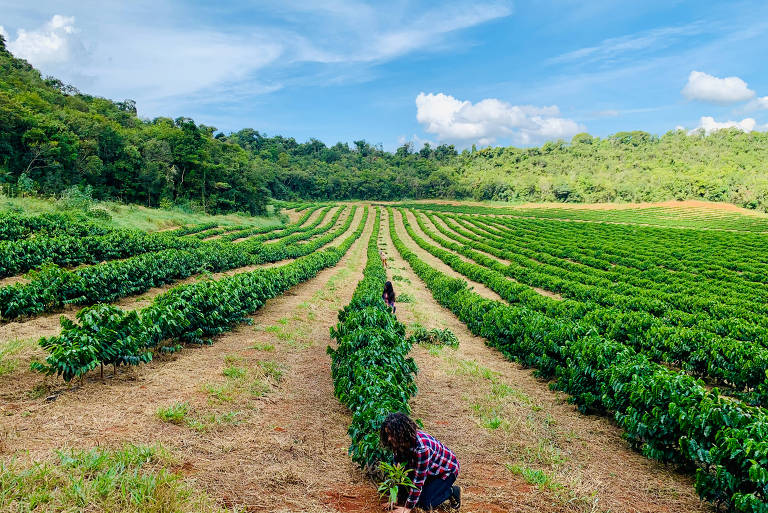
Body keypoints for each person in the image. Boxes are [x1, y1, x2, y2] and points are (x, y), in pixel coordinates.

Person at [380, 412, 461, 512]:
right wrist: (394, 497)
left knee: (424, 504)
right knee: (406, 496)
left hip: (446, 471)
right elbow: (397, 471)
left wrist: (407, 508)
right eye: (388, 434)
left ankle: (452, 491)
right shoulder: (399, 443)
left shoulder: (422, 449)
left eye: (392, 435)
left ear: (401, 433)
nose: (389, 438)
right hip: (430, 470)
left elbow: (418, 481)